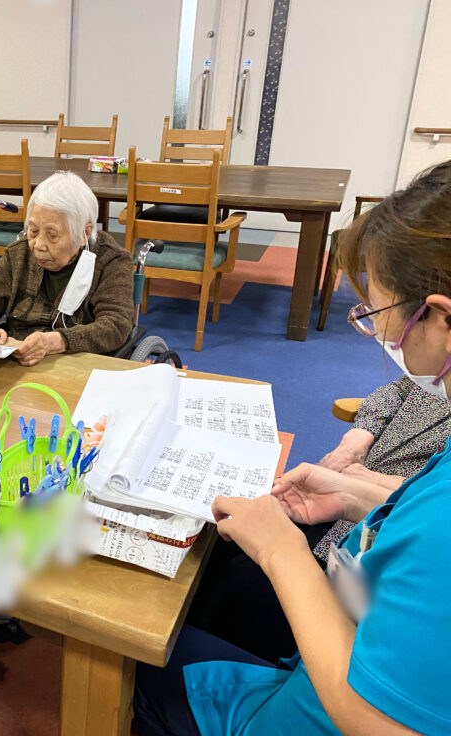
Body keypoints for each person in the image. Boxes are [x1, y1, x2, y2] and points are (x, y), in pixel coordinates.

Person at [133, 159, 451, 736]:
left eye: (378, 314)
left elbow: (377, 719)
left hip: (315, 707)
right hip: (328, 653)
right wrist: (359, 498)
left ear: (440, 318)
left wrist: (284, 551)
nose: (378, 336)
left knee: (136, 660)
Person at [187, 374, 451, 663]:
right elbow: (402, 388)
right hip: (348, 500)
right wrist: (359, 436)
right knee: (217, 537)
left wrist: (379, 484)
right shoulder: (436, 368)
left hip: (382, 545)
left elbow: (434, 508)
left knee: (243, 586)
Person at [0, 171, 134, 366]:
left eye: (52, 235)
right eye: (33, 231)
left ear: (84, 233)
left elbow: (116, 325)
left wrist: (57, 341)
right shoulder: (19, 255)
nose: (38, 245)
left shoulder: (111, 261)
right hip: (18, 362)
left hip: (79, 364)